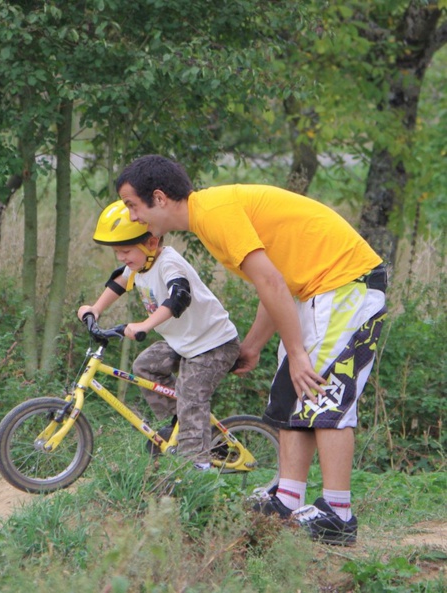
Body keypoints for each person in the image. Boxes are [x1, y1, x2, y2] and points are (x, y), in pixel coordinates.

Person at [114, 154, 387, 545]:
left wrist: (296, 352)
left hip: (346, 283)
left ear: (158, 198)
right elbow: (272, 282)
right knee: (289, 391)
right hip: (312, 290)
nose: (133, 217)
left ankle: (338, 514)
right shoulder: (208, 220)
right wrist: (255, 346)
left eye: (132, 206)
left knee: (324, 392)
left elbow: (274, 283)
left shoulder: (215, 214)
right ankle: (288, 499)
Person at [77, 200, 240, 470]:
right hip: (185, 341)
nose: (122, 257)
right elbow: (119, 281)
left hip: (213, 343)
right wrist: (95, 308)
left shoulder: (168, 264)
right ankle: (184, 426)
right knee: (145, 366)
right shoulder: (138, 265)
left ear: (151, 243)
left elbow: (180, 296)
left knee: (190, 395)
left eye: (126, 251)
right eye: (118, 252)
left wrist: (145, 325)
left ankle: (196, 468)